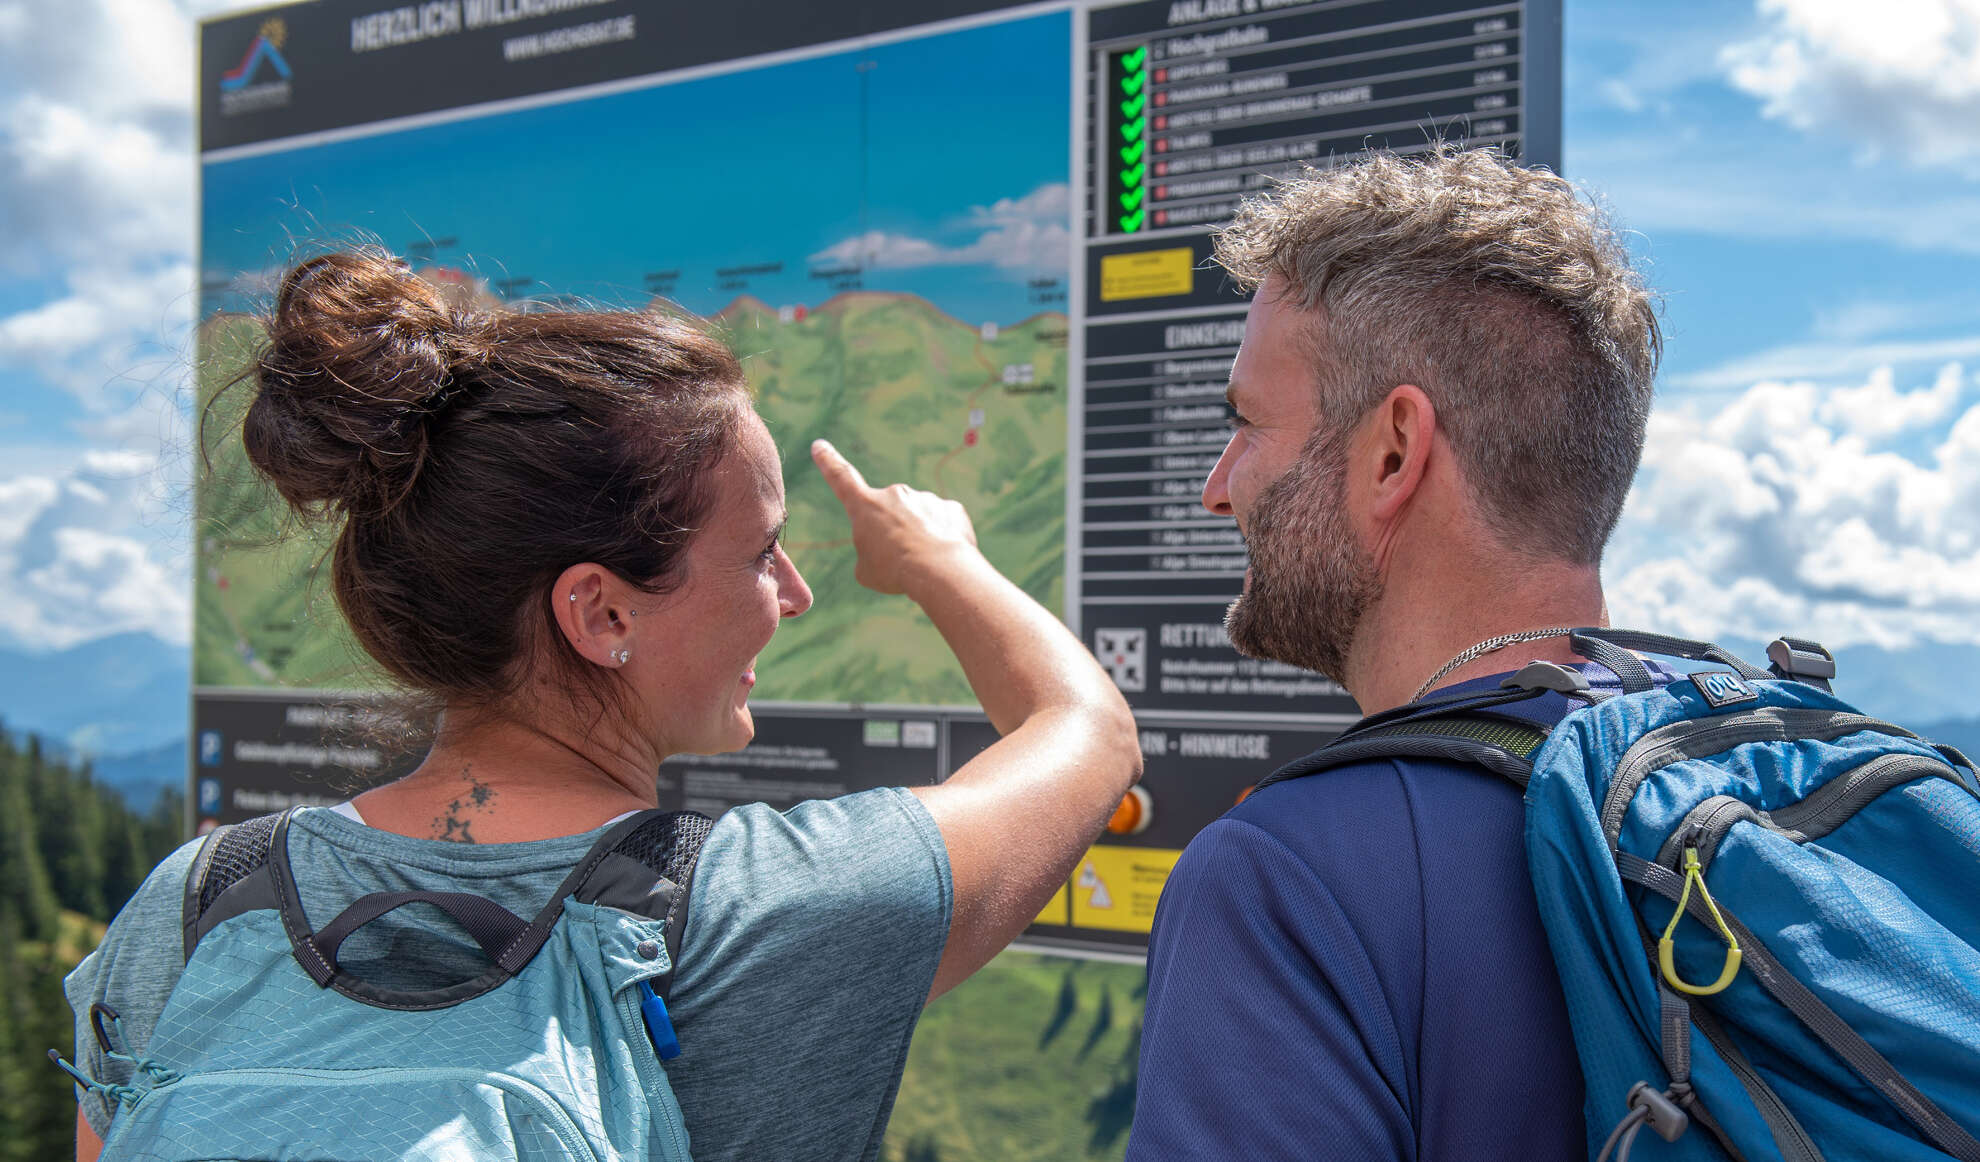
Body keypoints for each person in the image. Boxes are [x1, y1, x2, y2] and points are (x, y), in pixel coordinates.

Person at [66, 251, 1142, 1161]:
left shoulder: (197, 903)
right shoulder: (767, 914)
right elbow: (1088, 734)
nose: (796, 595)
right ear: (601, 613)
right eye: (763, 553)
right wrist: (938, 561)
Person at [1126, 147, 1663, 1160]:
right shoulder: (1746, 774)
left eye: (1246, 423)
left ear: (1391, 453)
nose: (1216, 485)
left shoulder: (1288, 879)